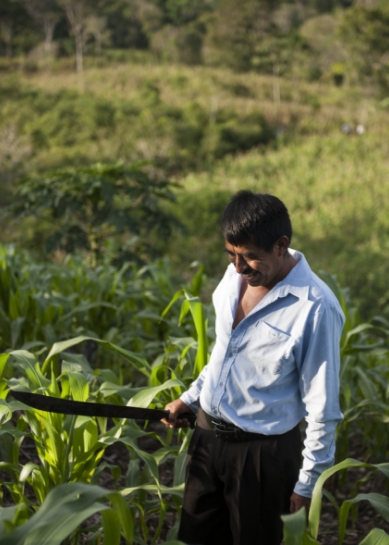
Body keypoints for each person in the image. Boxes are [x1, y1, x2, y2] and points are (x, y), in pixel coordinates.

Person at [163, 190, 344, 545]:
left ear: (281, 245)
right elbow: (224, 353)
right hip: (206, 439)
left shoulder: (315, 307)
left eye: (249, 257)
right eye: (231, 255)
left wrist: (307, 483)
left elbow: (323, 408)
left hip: (262, 460)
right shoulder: (234, 279)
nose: (238, 268)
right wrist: (192, 398)